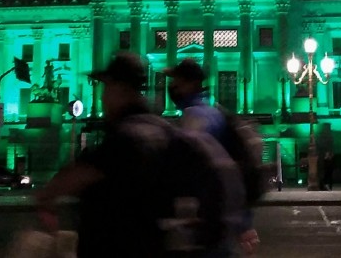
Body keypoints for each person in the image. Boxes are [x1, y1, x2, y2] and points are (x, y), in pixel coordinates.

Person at [36, 53, 241, 257]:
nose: (102, 96)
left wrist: (47, 198)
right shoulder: (167, 131)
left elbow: (76, 177)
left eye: (105, 87)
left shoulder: (125, 137)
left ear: (119, 88)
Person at [166, 59, 261, 255]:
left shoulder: (195, 118)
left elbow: (197, 171)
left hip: (206, 223)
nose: (172, 86)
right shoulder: (213, 113)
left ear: (191, 83)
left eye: (177, 80)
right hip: (218, 222)